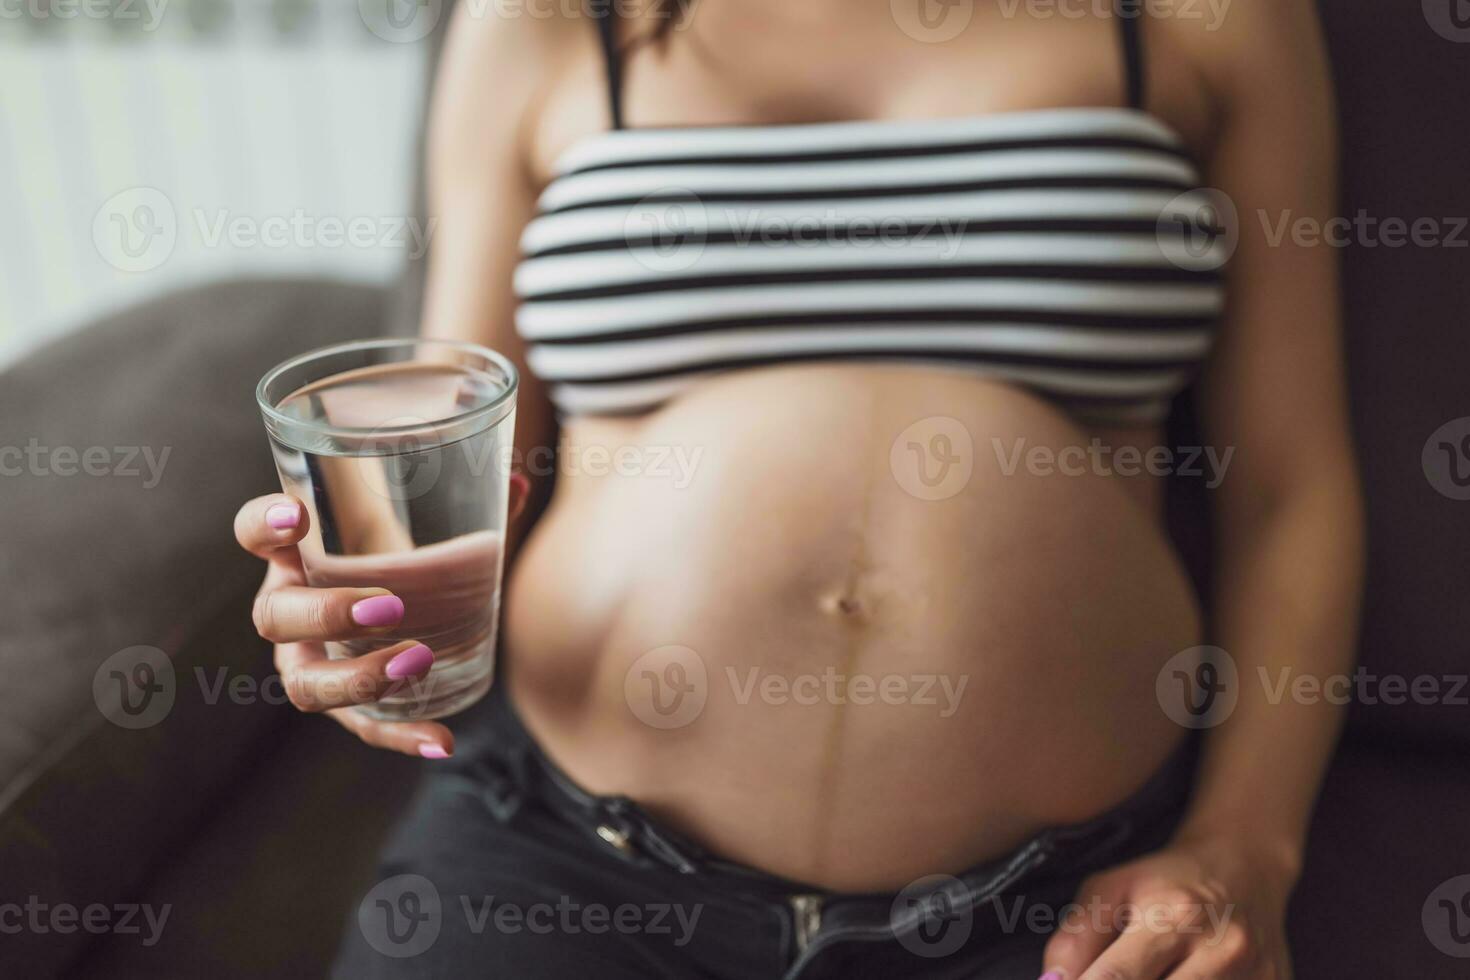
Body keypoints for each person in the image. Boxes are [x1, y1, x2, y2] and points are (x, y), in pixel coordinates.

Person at [233, 1, 1362, 976]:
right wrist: (352, 609)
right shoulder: (543, 16)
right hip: (566, 861)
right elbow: (455, 457)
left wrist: (1246, 849)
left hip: (1066, 909)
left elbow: (1286, 491)